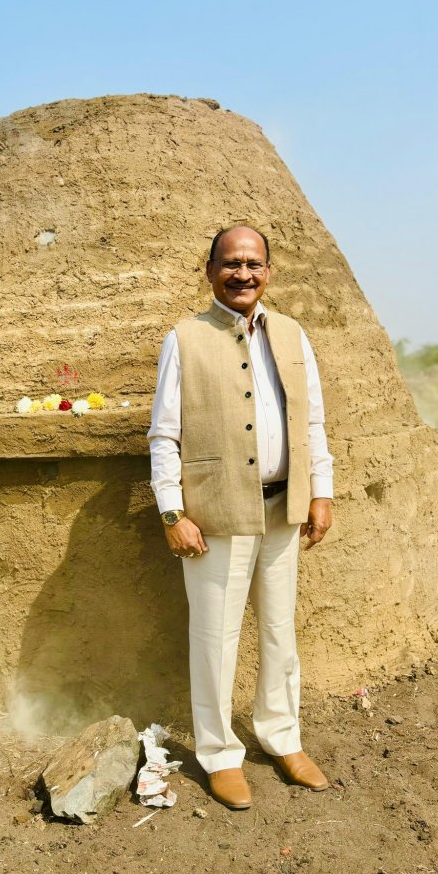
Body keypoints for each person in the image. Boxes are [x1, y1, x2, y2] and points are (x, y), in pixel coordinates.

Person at [147, 225, 334, 810]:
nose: (243, 273)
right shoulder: (185, 339)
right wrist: (172, 511)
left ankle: (282, 738)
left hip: (283, 508)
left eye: (254, 263)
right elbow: (163, 435)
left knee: (281, 634)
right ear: (210, 271)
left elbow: (311, 423)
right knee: (215, 639)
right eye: (231, 263)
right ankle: (220, 754)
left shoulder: (293, 335)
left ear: (268, 272)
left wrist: (320, 492)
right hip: (216, 515)